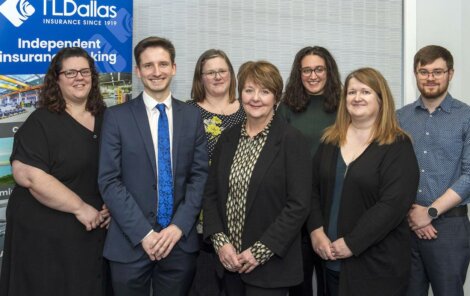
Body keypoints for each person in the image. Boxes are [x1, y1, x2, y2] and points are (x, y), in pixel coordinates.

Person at [98, 36, 208, 296]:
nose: (156, 72)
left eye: (162, 64)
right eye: (148, 65)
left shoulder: (192, 116)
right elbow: (109, 181)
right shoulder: (116, 118)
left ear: (174, 68)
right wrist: (144, 234)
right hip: (130, 242)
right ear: (138, 71)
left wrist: (178, 227)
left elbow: (200, 176)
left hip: (178, 244)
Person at [0, 47, 110, 295]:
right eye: (70, 72)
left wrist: (113, 205)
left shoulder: (108, 118)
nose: (79, 78)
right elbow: (28, 174)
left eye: (84, 71)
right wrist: (80, 208)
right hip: (44, 234)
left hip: (92, 231)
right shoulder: (41, 121)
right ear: (56, 79)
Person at [308, 67, 419, 296]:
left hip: (377, 267)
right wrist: (316, 231)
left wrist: (352, 243)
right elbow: (311, 189)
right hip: (329, 260)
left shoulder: (398, 146)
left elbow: (393, 205)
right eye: (351, 92)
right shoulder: (330, 141)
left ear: (381, 99)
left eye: (365, 92)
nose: (357, 98)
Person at [203, 60, 311, 296]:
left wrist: (260, 251)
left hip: (270, 268)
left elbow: (298, 205)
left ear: (276, 97)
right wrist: (220, 243)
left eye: (265, 91)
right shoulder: (227, 139)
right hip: (228, 263)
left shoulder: (292, 140)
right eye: (249, 90)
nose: (255, 98)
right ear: (240, 93)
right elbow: (210, 195)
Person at [397, 45, 470, 296]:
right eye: (424, 71)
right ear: (415, 74)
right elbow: (391, 173)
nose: (430, 78)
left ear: (450, 73)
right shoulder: (400, 118)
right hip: (405, 225)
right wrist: (412, 213)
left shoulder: (466, 117)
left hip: (449, 227)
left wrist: (430, 212)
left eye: (437, 71)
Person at [277, 46, 341, 296]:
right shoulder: (286, 107)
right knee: (299, 283)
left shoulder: (345, 105)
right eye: (306, 70)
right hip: (295, 204)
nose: (313, 75)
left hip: (332, 202)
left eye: (319, 69)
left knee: (331, 281)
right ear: (298, 73)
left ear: (329, 71)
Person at [187, 49, 245, 296]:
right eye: (210, 72)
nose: (218, 76)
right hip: (198, 212)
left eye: (222, 71)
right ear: (200, 78)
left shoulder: (250, 108)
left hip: (241, 211)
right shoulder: (187, 112)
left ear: (231, 75)